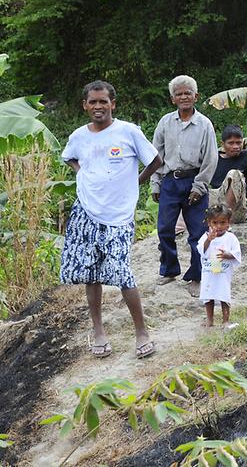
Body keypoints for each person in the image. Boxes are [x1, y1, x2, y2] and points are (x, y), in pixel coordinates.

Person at [60, 81, 162, 359]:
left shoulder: (128, 131)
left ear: (113, 104)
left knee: (122, 272)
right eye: (92, 102)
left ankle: (141, 332)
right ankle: (98, 331)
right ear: (85, 105)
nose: (98, 106)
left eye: (103, 101)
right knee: (91, 274)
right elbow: (69, 157)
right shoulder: (79, 136)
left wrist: (135, 182)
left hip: (118, 216)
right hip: (86, 212)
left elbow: (156, 160)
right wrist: (84, 174)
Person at [151, 75, 218, 297]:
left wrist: (199, 187)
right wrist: (155, 183)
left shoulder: (205, 124)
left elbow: (210, 159)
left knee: (198, 232)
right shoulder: (165, 122)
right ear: (173, 99)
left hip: (194, 180)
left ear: (196, 96)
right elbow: (156, 154)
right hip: (170, 181)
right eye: (179, 94)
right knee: (165, 229)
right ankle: (169, 270)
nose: (183, 97)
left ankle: (196, 276)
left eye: (187, 93)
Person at [198, 204, 242, 328]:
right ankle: (210, 319)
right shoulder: (206, 237)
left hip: (223, 273)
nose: (219, 226)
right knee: (208, 295)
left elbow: (237, 253)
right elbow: (201, 250)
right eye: (215, 223)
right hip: (209, 272)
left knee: (224, 294)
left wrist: (227, 255)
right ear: (209, 223)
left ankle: (225, 320)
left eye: (223, 223)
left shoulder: (231, 238)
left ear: (229, 223)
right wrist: (208, 240)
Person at [209, 125, 247, 223]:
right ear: (223, 144)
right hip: (217, 203)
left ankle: (224, 218)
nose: (235, 147)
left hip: (239, 208)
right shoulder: (214, 159)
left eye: (238, 143)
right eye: (231, 143)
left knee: (234, 174)